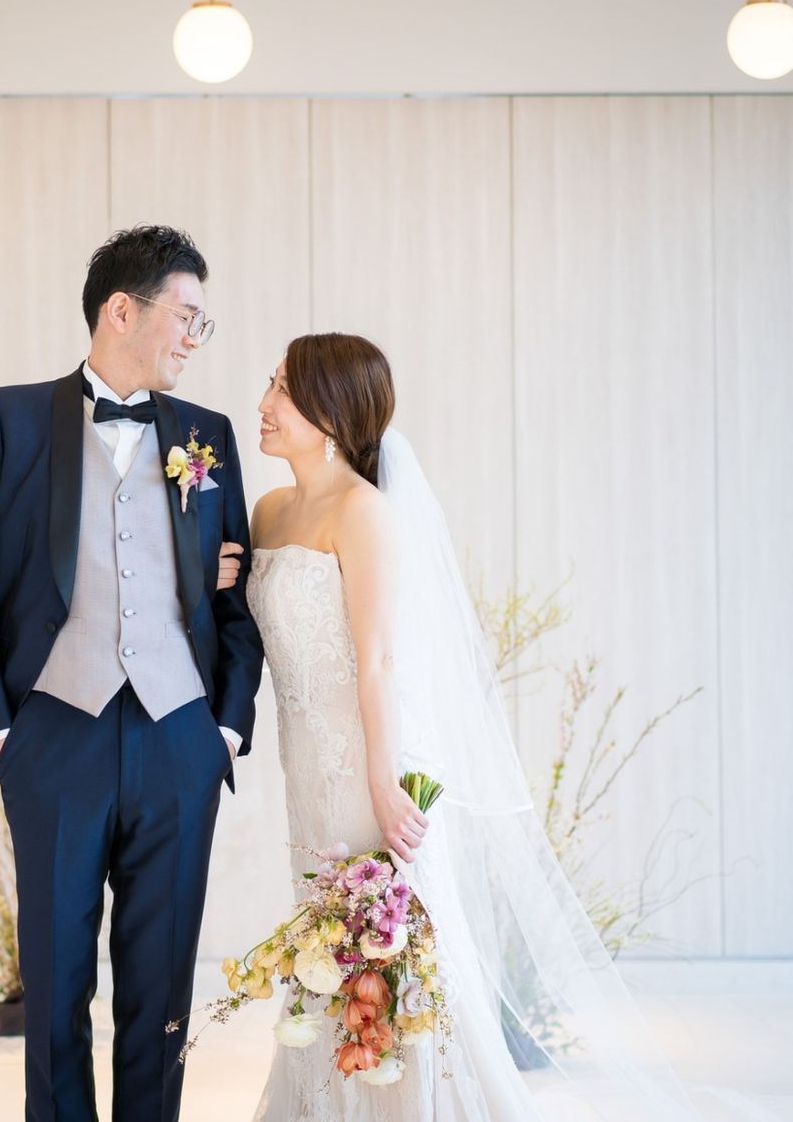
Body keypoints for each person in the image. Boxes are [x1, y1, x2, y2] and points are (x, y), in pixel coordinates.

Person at [244, 333, 700, 1120]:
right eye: (270, 384)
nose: (264, 403)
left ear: (330, 414)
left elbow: (378, 662)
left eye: (282, 389)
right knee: (323, 948)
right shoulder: (269, 511)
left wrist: (384, 786)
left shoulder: (364, 512)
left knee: (385, 953)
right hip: (304, 767)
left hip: (368, 767)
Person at [0, 225, 264, 1122]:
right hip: (53, 735)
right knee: (53, 987)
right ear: (122, 310)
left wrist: (224, 729)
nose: (196, 337)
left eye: (202, 322)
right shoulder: (7, 419)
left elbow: (238, 594)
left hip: (178, 736)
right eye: (186, 316)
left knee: (162, 992)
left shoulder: (207, 436)